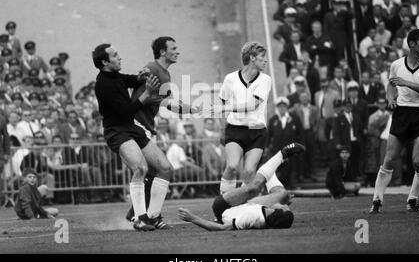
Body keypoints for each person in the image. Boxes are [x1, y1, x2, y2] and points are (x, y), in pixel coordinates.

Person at [93, 43, 169, 231]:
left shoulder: (115, 76)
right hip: (116, 131)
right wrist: (147, 94)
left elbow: (131, 80)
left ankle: (152, 216)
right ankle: (140, 219)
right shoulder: (103, 84)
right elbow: (124, 113)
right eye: (115, 55)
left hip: (131, 128)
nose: (120, 57)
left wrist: (140, 77)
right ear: (105, 62)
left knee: (165, 168)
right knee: (140, 168)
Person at [126, 37, 199, 225]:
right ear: (162, 52)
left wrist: (191, 108)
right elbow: (148, 98)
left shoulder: (165, 74)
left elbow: (171, 104)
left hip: (143, 127)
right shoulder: (151, 69)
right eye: (174, 48)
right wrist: (185, 107)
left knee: (152, 172)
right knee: (164, 169)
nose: (178, 51)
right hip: (136, 126)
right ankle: (151, 216)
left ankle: (137, 213)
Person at [178, 142, 305, 231]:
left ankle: (282, 154)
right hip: (248, 205)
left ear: (275, 211)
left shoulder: (249, 217)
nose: (286, 206)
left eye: (285, 208)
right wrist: (282, 202)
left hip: (224, 208)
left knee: (254, 189)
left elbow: (223, 228)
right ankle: (269, 172)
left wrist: (193, 218)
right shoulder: (268, 215)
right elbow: (276, 212)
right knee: (283, 195)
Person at [203, 42, 271, 194]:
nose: (266, 60)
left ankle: (242, 205)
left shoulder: (265, 79)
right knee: (232, 166)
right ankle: (223, 203)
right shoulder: (231, 78)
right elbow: (222, 101)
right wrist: (222, 128)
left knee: (248, 171)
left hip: (257, 131)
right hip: (235, 129)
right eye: (262, 57)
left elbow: (253, 104)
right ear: (252, 58)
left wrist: (226, 108)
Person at [370, 29, 419, 213]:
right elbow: (391, 84)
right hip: (402, 114)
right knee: (390, 158)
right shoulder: (396, 64)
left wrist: (407, 83)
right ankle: (377, 201)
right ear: (412, 44)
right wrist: (390, 98)